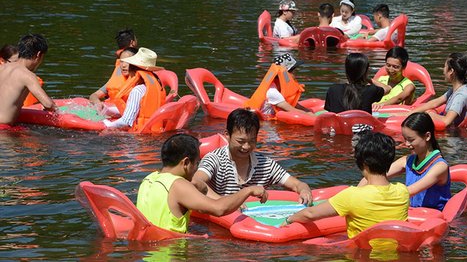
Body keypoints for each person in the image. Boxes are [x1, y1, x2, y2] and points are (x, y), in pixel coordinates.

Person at [283, 130, 409, 240]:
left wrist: (289, 219)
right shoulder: (402, 191)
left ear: (362, 163)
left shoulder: (352, 196)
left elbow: (310, 214)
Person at [136, 134, 268, 233]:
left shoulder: (148, 179)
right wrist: (248, 190)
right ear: (186, 163)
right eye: (197, 163)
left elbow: (198, 186)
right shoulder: (179, 185)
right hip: (172, 254)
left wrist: (212, 193)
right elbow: (219, 209)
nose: (197, 168)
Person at [192, 108, 313, 205]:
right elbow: (196, 182)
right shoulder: (215, 159)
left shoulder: (265, 164)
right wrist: (225, 203)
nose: (246, 147)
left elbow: (297, 184)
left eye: (251, 141)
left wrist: (304, 191)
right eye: (241, 141)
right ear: (227, 135)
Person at [384, 112, 450, 210]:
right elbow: (376, 175)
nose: (406, 144)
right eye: (405, 139)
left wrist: (379, 197)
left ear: (427, 136)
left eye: (411, 139)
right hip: (413, 214)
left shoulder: (440, 166)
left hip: (433, 218)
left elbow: (409, 191)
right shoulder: (407, 160)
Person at [102, 47, 165, 130]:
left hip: (137, 138)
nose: (124, 65)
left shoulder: (137, 91)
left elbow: (126, 122)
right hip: (154, 132)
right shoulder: (156, 85)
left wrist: (106, 124)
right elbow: (136, 110)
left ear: (133, 67)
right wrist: (108, 110)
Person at [0, 34, 56, 126]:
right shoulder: (28, 76)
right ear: (38, 55)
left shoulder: (2, 68)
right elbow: (48, 104)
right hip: (3, 131)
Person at [409, 53, 467, 127]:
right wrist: (409, 113)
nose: (443, 70)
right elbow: (435, 103)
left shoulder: (460, 96)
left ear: (451, 71)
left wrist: (430, 115)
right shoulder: (460, 88)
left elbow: (446, 121)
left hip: (456, 136)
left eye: (445, 67)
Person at [246, 53, 314, 117]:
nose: (295, 74)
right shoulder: (272, 92)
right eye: (293, 71)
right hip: (266, 124)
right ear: (285, 74)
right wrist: (313, 117)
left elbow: (295, 105)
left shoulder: (281, 88)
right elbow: (292, 110)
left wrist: (309, 111)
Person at [89, 29, 138, 110]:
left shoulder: (141, 81)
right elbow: (94, 95)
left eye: (127, 61)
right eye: (122, 61)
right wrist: (98, 103)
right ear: (133, 42)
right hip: (111, 113)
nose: (124, 65)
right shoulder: (118, 73)